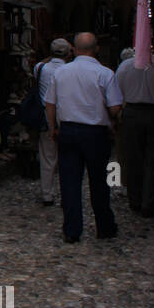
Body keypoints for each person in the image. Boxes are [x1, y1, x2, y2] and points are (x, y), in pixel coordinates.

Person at [44, 32, 123, 243]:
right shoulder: (105, 73)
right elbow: (115, 107)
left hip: (68, 131)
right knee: (99, 181)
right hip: (96, 133)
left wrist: (53, 128)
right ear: (96, 49)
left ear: (75, 50)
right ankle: (104, 226)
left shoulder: (61, 73)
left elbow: (50, 103)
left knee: (69, 182)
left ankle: (72, 229)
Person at [115, 51, 154, 217]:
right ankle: (148, 203)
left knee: (134, 158)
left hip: (132, 113)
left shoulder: (125, 66)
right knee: (153, 160)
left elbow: (116, 93)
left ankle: (135, 200)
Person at [35, 38, 72, 204]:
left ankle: (47, 193)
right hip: (66, 116)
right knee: (67, 157)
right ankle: (66, 194)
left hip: (44, 115)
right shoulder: (69, 70)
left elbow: (42, 63)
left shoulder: (40, 68)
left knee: (47, 156)